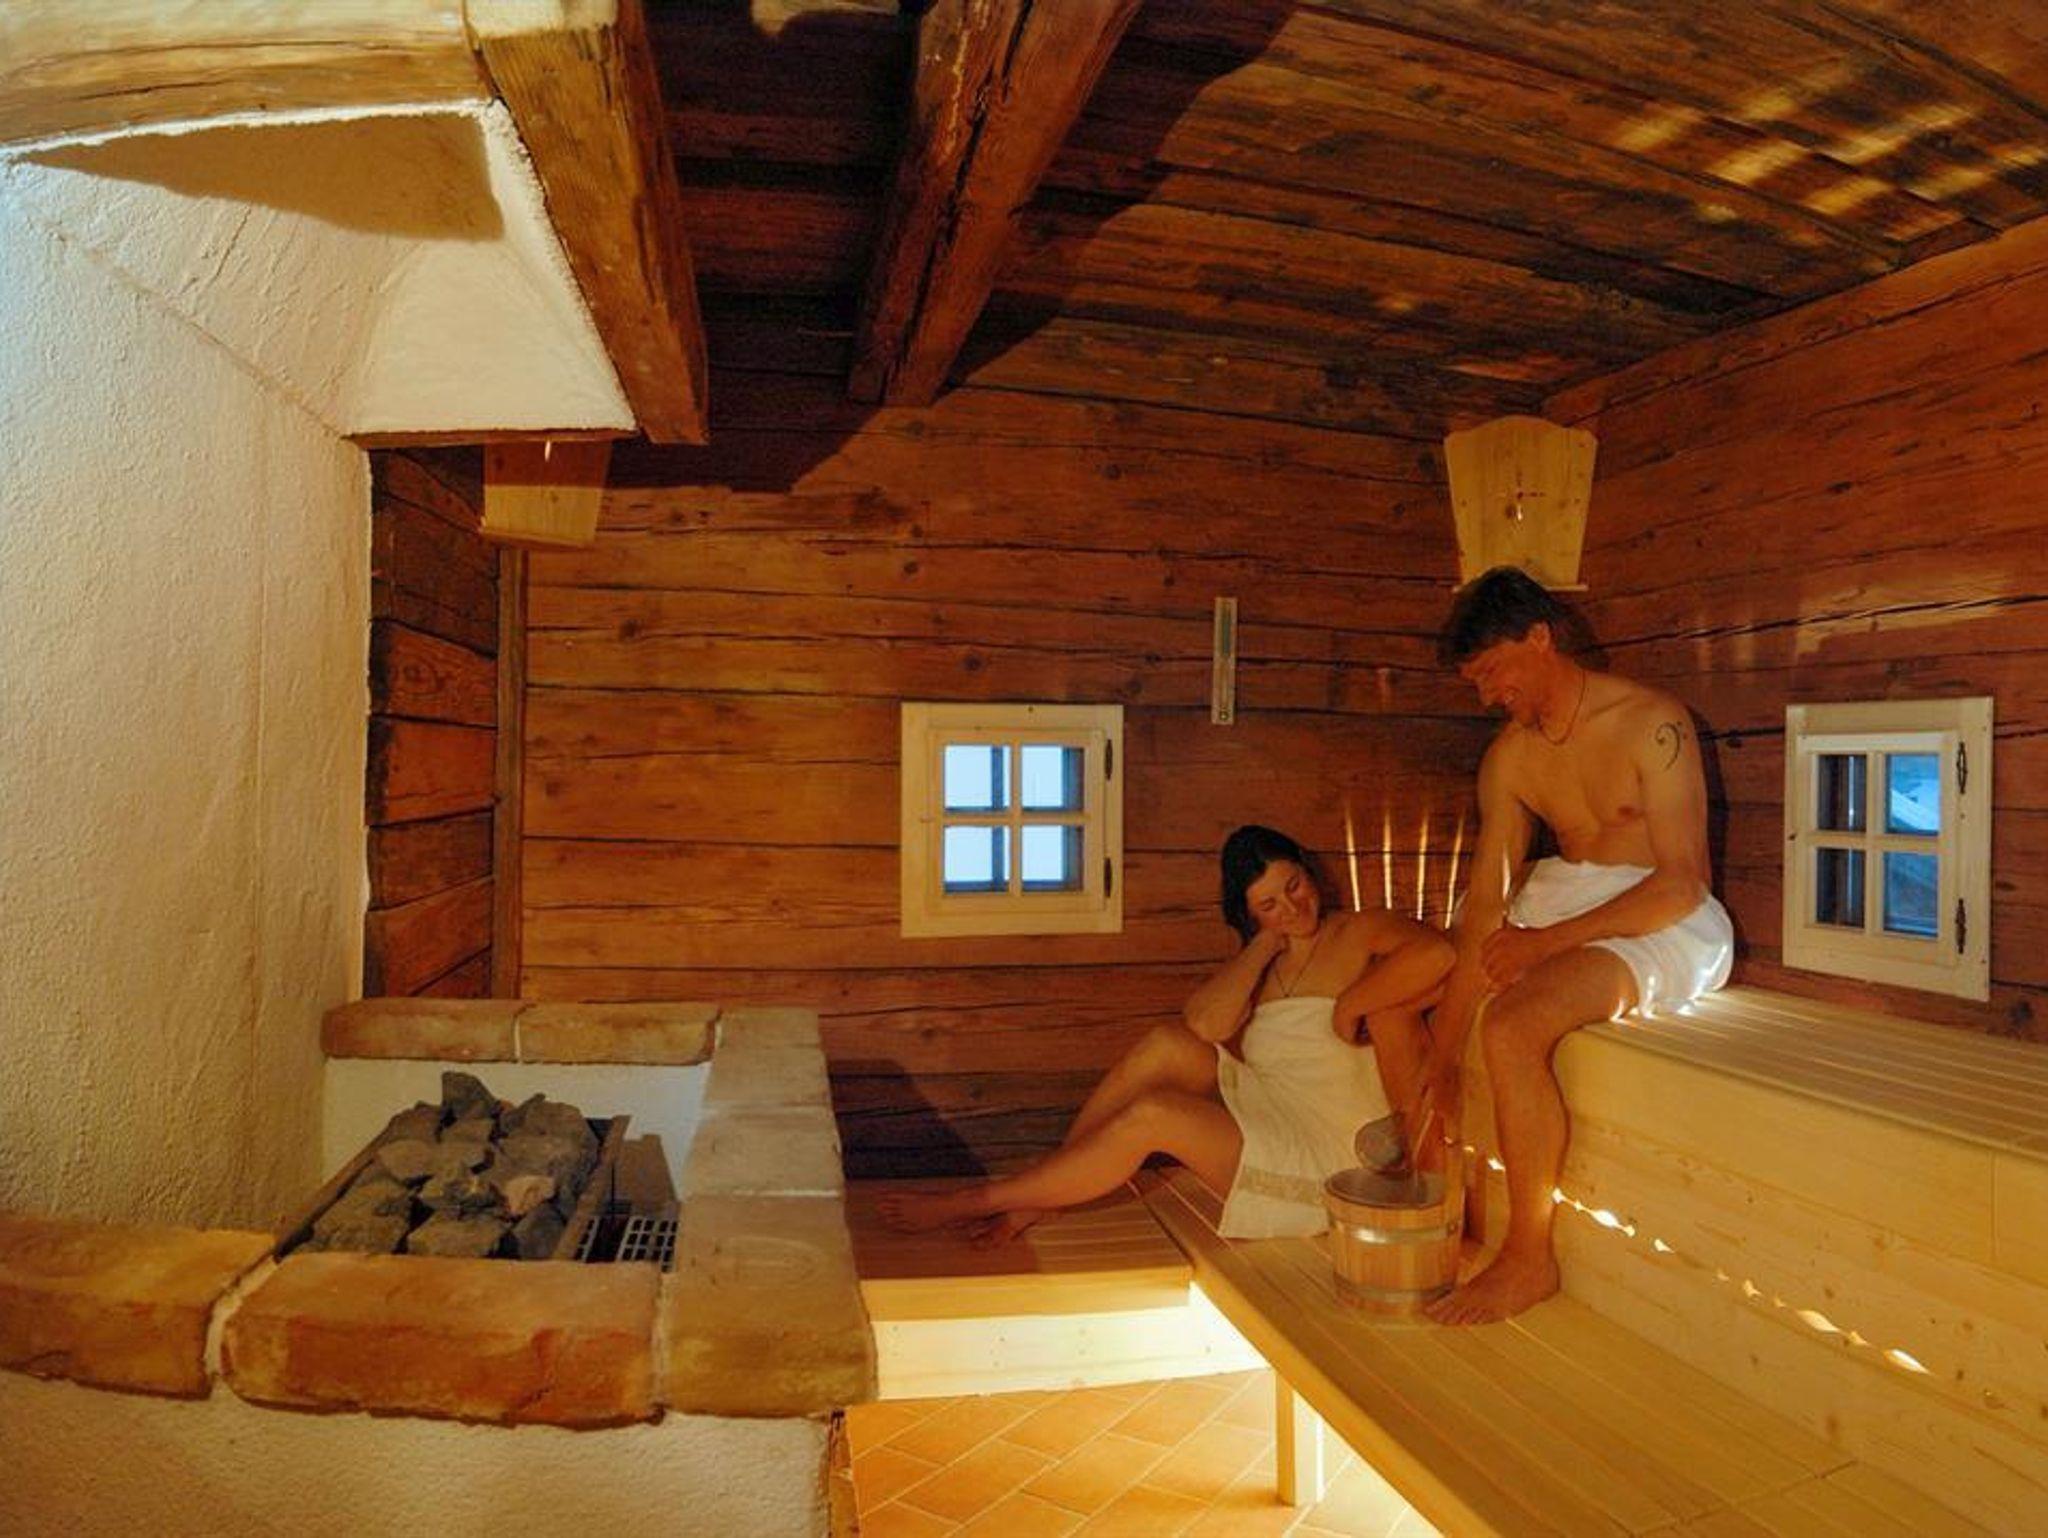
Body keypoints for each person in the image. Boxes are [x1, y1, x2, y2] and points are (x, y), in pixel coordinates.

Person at [877, 825, 1455, 1242]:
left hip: (1327, 1153)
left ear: (1308, 871)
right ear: (1248, 913)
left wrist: (1352, 1003)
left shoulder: (1357, 931)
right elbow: (1204, 1025)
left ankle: (983, 1199)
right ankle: (1048, 1189)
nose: (1292, 907)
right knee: (1167, 1044)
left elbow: (1437, 953)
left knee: (1154, 1115)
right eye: (1269, 903)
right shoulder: (1263, 960)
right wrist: (1264, 943)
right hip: (1272, 1110)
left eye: (1295, 885)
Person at [1415, 567, 1733, 1324]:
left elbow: (1683, 882)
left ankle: (1528, 1257)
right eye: (1476, 682)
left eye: (1493, 672)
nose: (1488, 695)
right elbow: (1486, 907)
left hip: (1662, 913)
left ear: (1539, 638)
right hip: (1571, 897)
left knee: (1513, 1024)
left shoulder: (1652, 724)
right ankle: (1437, 1188)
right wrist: (1442, 1058)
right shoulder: (1510, 759)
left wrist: (1543, 946)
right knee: (1442, 975)